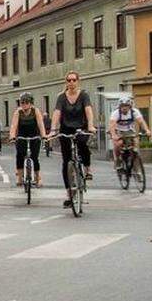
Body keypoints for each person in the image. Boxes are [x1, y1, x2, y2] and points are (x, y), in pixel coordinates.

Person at [49, 70, 96, 209]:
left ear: (78, 81)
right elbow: (57, 113)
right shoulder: (61, 97)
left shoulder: (83, 95)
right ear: (66, 82)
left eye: (74, 80)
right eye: (68, 80)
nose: (71, 83)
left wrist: (91, 125)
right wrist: (52, 129)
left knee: (83, 145)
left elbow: (88, 110)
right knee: (66, 162)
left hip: (81, 128)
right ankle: (69, 194)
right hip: (65, 130)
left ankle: (87, 170)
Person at [9, 93, 47, 188]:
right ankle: (20, 177)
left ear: (31, 103)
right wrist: (12, 136)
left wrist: (43, 136)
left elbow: (40, 124)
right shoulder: (18, 112)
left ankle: (38, 177)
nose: (24, 105)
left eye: (26, 102)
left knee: (35, 157)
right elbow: (14, 125)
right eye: (22, 102)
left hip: (34, 135)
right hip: (21, 136)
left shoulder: (35, 111)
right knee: (20, 156)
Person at [108, 95, 152, 173]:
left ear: (130, 106)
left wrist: (147, 130)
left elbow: (141, 122)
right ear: (120, 106)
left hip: (129, 130)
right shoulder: (116, 113)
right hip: (119, 131)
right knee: (118, 144)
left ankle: (136, 167)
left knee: (135, 142)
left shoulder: (134, 112)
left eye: (126, 106)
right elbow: (112, 125)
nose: (124, 108)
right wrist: (114, 135)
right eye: (122, 106)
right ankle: (117, 160)